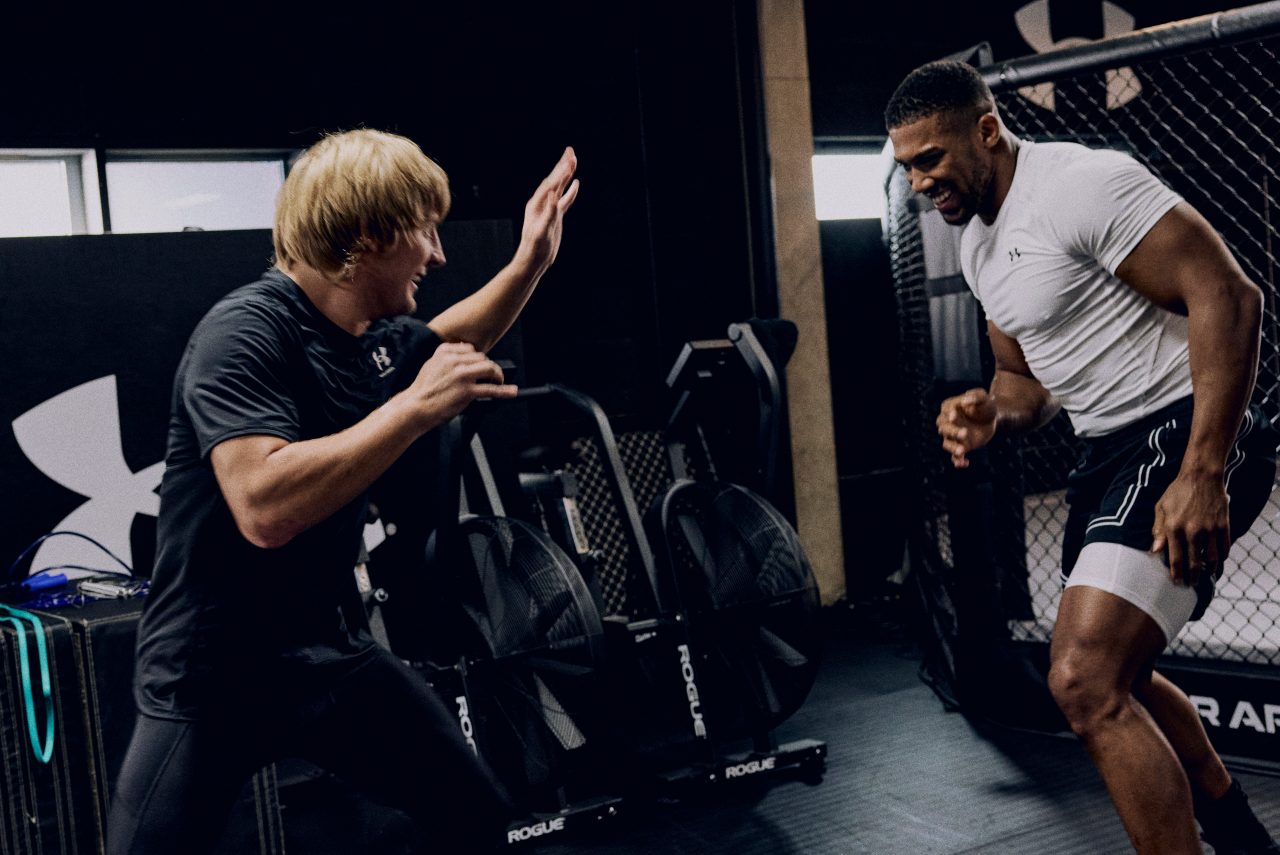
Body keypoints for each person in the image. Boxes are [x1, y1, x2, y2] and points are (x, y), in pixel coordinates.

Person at [105, 129, 579, 854]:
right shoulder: (242, 334)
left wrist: (530, 264)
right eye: (426, 230)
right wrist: (413, 410)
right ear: (368, 232)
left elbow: (447, 340)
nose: (438, 252)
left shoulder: (363, 337)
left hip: (325, 654)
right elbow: (265, 507)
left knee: (473, 817)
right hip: (211, 674)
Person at [886, 60, 1280, 855]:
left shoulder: (1081, 186)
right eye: (906, 168)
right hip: (1107, 453)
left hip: (1182, 426)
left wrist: (1204, 470)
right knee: (1117, 675)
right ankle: (1238, 834)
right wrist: (988, 411)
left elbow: (1230, 296)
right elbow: (1023, 383)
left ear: (987, 129)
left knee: (1082, 677)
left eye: (931, 158)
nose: (921, 182)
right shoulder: (977, 251)